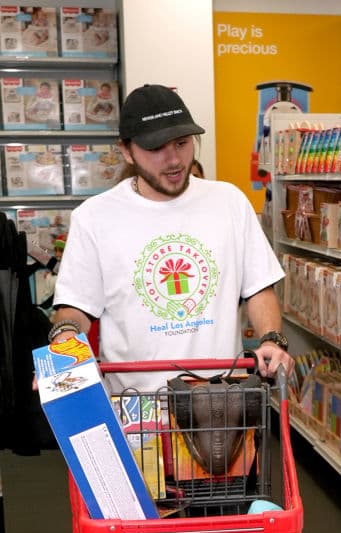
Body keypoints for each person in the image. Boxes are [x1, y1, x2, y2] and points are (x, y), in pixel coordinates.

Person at [50, 83, 292, 393]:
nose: (174, 159)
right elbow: (75, 309)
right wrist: (65, 338)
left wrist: (272, 340)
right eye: (156, 148)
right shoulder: (94, 217)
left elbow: (259, 289)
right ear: (126, 150)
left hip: (219, 402)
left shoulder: (229, 202)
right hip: (137, 407)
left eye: (181, 143)